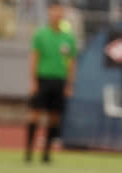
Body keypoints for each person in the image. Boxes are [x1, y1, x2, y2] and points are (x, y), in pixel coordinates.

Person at [24, 1, 77, 164]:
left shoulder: (68, 37)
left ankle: (46, 154)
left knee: (54, 117)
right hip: (43, 79)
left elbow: (71, 62)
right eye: (54, 12)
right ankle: (28, 152)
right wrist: (33, 81)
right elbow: (34, 58)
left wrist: (69, 84)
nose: (57, 15)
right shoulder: (41, 34)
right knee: (35, 115)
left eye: (60, 12)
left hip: (59, 80)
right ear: (49, 13)